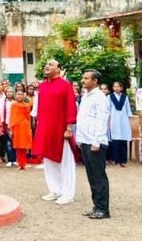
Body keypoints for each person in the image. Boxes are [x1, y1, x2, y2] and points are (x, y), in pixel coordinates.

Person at [33, 60, 78, 205]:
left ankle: (68, 193)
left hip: (61, 129)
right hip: (46, 129)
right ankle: (55, 189)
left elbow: (71, 106)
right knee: (49, 160)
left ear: (58, 69)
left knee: (65, 162)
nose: (47, 66)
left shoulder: (65, 85)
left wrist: (69, 128)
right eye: (46, 64)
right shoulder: (42, 86)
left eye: (51, 65)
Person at [76, 70, 111, 220]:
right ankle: (96, 206)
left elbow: (102, 120)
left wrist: (96, 141)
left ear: (95, 81)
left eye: (86, 78)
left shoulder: (100, 97)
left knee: (98, 176)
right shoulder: (85, 96)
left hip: (95, 142)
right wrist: (79, 139)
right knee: (91, 176)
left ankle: (103, 208)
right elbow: (82, 118)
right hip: (85, 140)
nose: (83, 80)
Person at [107, 81, 132, 167]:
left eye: (118, 87)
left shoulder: (125, 97)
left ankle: (123, 160)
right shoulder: (109, 97)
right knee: (115, 140)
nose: (117, 88)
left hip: (123, 120)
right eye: (115, 86)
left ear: (121, 88)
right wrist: (108, 121)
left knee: (123, 140)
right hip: (114, 119)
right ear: (113, 88)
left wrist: (129, 120)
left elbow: (128, 109)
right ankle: (116, 159)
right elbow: (108, 109)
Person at [9, 88, 33, 170]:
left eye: (21, 94)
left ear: (24, 96)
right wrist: (11, 129)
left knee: (24, 146)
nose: (20, 96)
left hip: (24, 127)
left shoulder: (27, 105)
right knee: (18, 147)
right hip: (16, 127)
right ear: (15, 96)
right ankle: (20, 164)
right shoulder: (13, 105)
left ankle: (24, 164)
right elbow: (12, 117)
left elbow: (28, 118)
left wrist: (29, 128)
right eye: (18, 94)